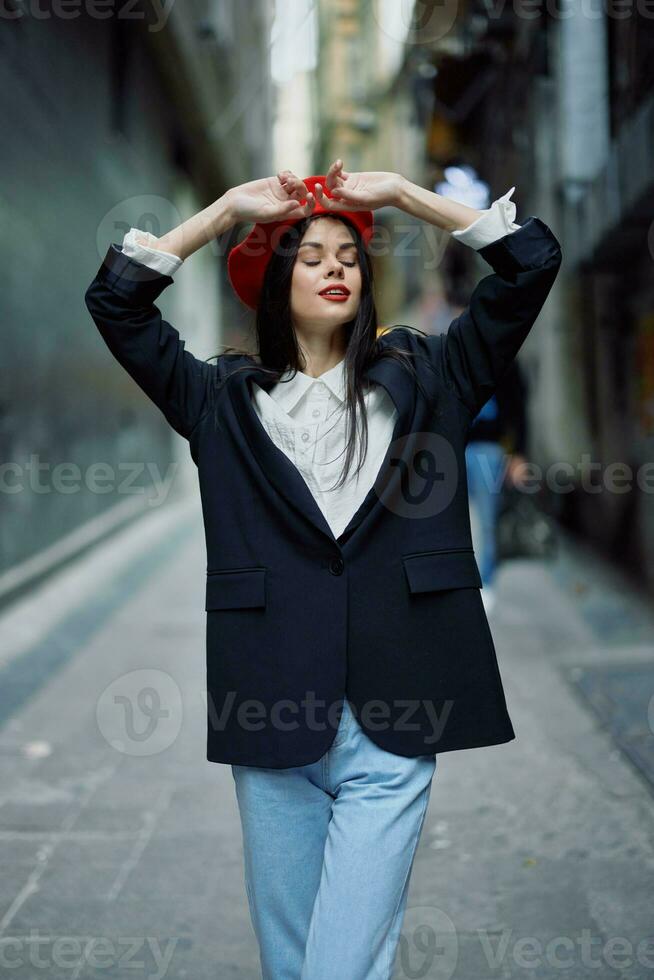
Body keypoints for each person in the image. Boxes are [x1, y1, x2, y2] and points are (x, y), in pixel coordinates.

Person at [85, 163, 561, 979]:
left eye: (348, 254)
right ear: (275, 282)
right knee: (293, 961)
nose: (335, 266)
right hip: (270, 710)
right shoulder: (221, 401)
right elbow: (117, 303)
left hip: (396, 714)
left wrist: (406, 197)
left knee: (340, 966)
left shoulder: (430, 378)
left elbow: (531, 265)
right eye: (310, 255)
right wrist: (226, 210)